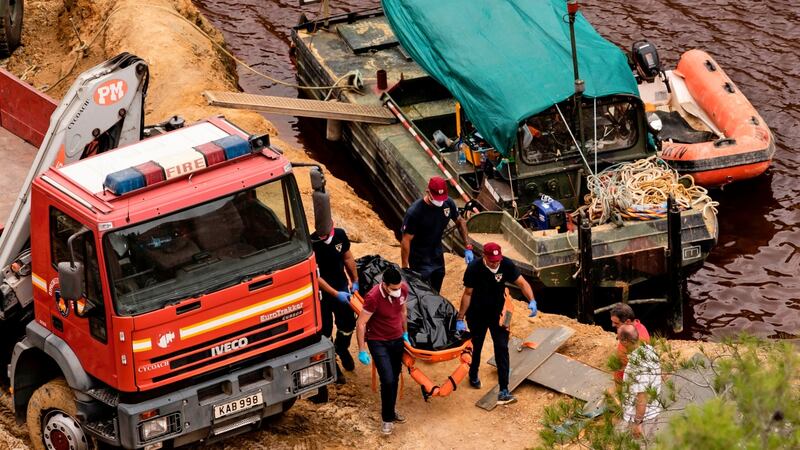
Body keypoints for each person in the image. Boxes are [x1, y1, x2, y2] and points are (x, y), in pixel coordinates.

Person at [456, 242, 537, 405]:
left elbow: (522, 283)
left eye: (497, 260)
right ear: (484, 256)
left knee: (501, 348)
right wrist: (460, 318)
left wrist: (532, 300)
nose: (495, 263)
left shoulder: (506, 264)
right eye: (492, 260)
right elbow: (468, 294)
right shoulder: (474, 268)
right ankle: (473, 373)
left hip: (499, 314)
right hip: (477, 313)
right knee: (476, 345)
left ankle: (504, 389)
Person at [355, 266, 410, 435]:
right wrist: (362, 350)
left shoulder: (403, 290)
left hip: (397, 338)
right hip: (378, 341)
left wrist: (405, 332)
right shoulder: (373, 297)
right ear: (384, 285)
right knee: (387, 380)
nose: (397, 291)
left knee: (394, 377)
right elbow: (361, 323)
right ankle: (387, 419)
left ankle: (391, 410)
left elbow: (403, 311)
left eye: (399, 287)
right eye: (393, 289)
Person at [400, 176, 473, 293]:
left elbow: (460, 221)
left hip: (437, 253)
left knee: (437, 284)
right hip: (419, 257)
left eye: (442, 198)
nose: (440, 202)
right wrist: (404, 267)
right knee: (421, 290)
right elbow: (406, 239)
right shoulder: (415, 212)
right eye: (437, 198)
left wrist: (468, 246)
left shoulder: (448, 203)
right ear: (428, 192)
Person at [311, 220, 359, 382]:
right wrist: (335, 293)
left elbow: (348, 257)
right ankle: (333, 366)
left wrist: (355, 280)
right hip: (323, 294)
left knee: (348, 324)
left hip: (342, 286)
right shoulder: (312, 244)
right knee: (325, 331)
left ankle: (342, 347)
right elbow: (315, 277)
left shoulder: (339, 235)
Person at [618, 324, 662, 438]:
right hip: (652, 411)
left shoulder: (638, 365)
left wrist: (638, 423)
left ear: (625, 341)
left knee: (638, 444)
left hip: (642, 417)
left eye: (618, 338)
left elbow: (642, 396)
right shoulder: (649, 350)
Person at [610, 303, 651, 382]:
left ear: (628, 321)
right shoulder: (631, 331)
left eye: (616, 323)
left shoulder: (638, 339)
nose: (613, 325)